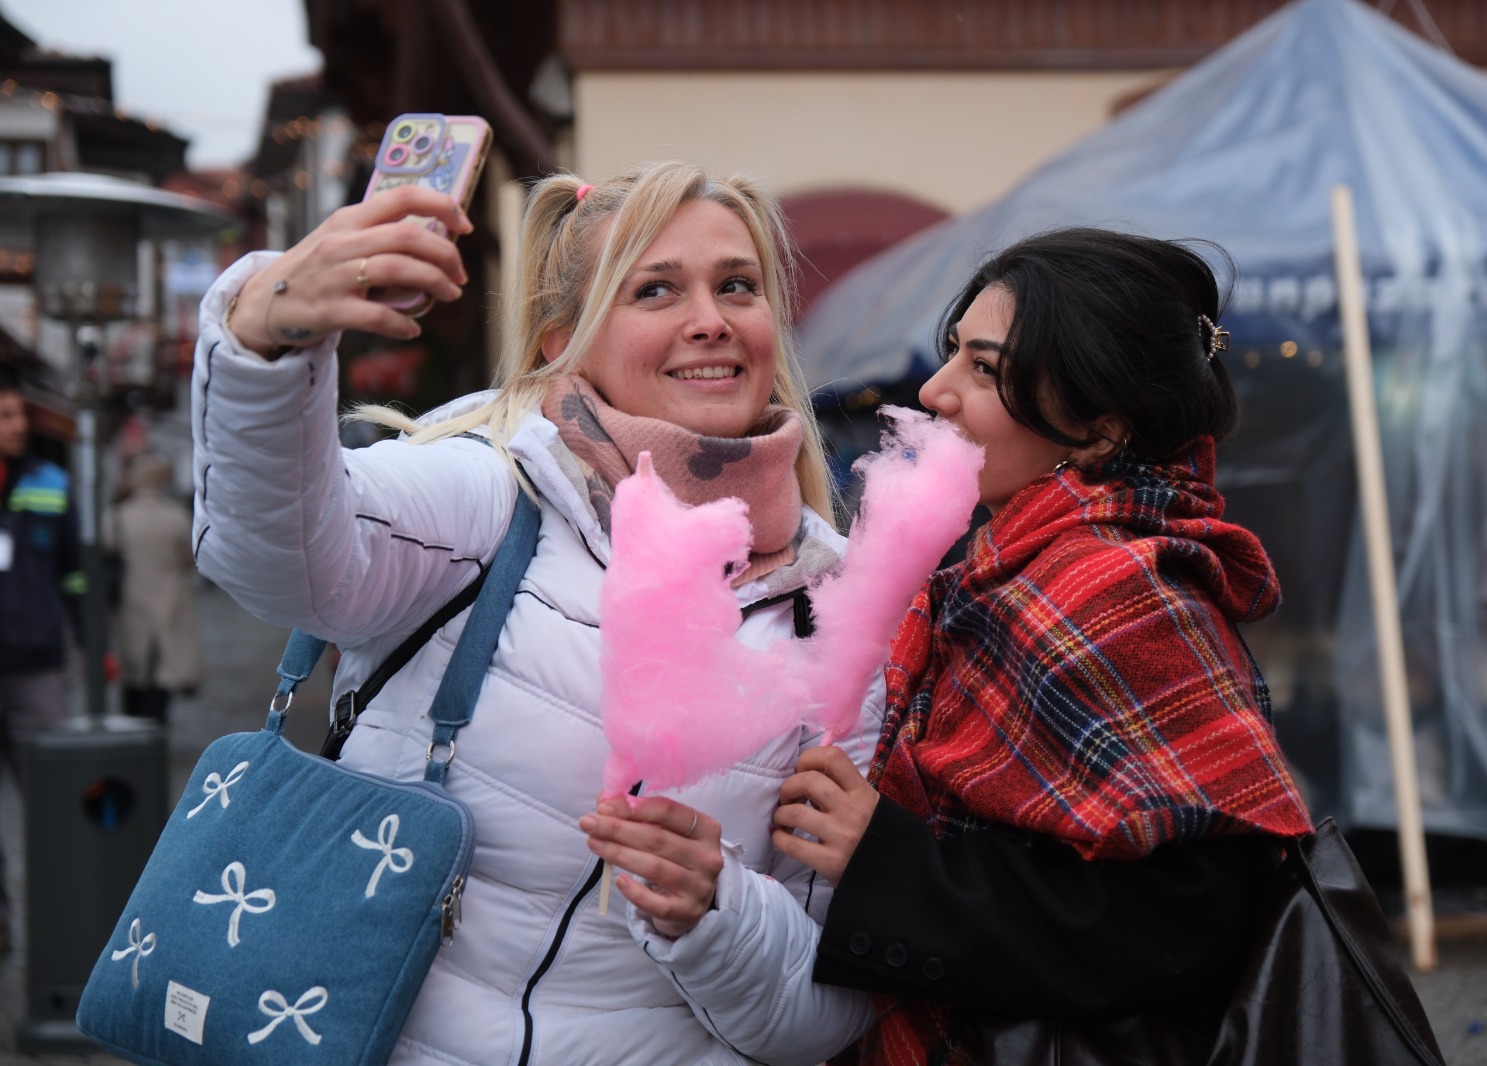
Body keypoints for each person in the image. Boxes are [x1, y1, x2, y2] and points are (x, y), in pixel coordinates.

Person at [191, 161, 877, 1065]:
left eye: (737, 285)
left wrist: (716, 911)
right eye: (656, 289)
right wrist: (263, 342)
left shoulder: (834, 615)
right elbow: (281, 557)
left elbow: (825, 1019)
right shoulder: (487, 493)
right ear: (569, 342)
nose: (709, 317)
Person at [768, 229, 1317, 1064]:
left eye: (984, 370)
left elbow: (1190, 919)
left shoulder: (1115, 588)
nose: (935, 389)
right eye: (954, 353)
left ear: (1098, 433)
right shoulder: (1004, 569)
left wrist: (887, 858)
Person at [0, 364, 86, 955]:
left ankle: (64, 920)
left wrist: (91, 643)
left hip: (37, 669)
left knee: (53, 802)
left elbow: (74, 575)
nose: (18, 426)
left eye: (19, 415)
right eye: (6, 417)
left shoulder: (51, 483)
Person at [105, 451, 200, 722]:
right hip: (169, 598)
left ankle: (134, 722)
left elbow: (104, 548)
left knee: (136, 668)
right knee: (162, 668)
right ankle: (156, 724)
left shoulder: (118, 516)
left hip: (131, 599)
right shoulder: (176, 516)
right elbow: (189, 556)